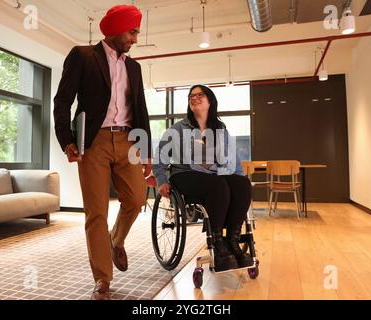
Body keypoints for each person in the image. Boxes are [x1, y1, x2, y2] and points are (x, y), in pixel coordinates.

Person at [53, 5, 152, 300]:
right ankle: (102, 279)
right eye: (132, 32)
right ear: (116, 29)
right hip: (93, 143)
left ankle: (116, 240)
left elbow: (141, 110)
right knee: (96, 212)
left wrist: (145, 150)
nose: (135, 39)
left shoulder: (133, 67)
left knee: (136, 199)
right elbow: (62, 101)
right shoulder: (83, 56)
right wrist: (67, 139)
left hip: (128, 140)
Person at [153, 85, 253, 272]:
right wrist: (161, 180)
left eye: (200, 95)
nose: (195, 98)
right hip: (184, 175)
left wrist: (240, 183)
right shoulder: (177, 129)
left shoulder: (220, 129)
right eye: (192, 96)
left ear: (210, 101)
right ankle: (217, 242)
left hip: (213, 177)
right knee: (218, 185)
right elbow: (159, 158)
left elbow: (233, 159)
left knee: (242, 184)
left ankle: (232, 240)